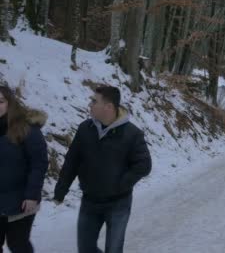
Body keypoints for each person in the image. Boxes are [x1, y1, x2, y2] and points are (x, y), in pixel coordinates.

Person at [53, 86, 152, 253]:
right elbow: (72, 161)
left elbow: (144, 165)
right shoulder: (85, 129)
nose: (89, 104)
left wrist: (121, 184)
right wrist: (60, 190)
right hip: (89, 201)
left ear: (108, 107)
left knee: (113, 249)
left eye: (94, 101)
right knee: (85, 248)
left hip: (118, 203)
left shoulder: (132, 134)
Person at [0, 85, 48, 253]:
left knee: (17, 244)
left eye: (0, 101)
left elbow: (39, 163)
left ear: (10, 103)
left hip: (20, 201)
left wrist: (32, 195)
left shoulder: (27, 129)